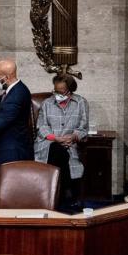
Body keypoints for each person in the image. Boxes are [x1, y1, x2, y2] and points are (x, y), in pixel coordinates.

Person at [34, 75, 89, 207]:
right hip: (48, 143)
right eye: (55, 91)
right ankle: (67, 191)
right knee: (57, 150)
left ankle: (55, 195)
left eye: (61, 91)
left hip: (71, 144)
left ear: (70, 90)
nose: (58, 94)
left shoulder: (81, 103)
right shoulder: (47, 103)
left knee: (63, 153)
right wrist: (56, 138)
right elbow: (41, 126)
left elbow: (83, 128)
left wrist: (73, 137)